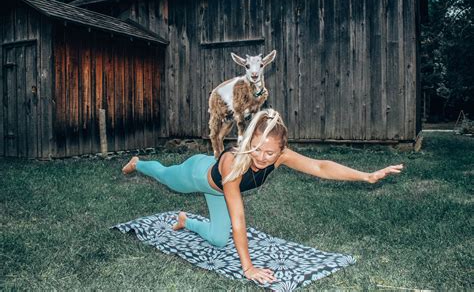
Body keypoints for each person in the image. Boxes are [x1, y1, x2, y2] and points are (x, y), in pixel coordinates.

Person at [122, 108, 403, 284]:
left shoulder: (280, 156)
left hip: (218, 191)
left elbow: (320, 167)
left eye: (270, 154)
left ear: (281, 151)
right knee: (166, 176)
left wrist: (366, 175)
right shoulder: (233, 161)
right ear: (247, 143)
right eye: (256, 149)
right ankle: (139, 163)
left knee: (219, 240)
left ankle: (187, 221)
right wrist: (248, 267)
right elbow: (239, 218)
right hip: (197, 174)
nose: (261, 158)